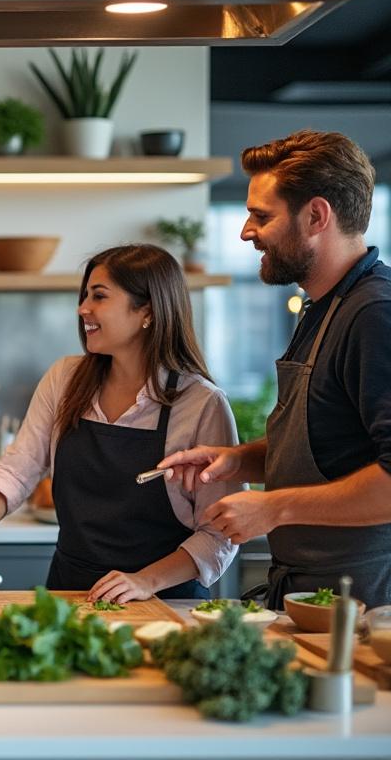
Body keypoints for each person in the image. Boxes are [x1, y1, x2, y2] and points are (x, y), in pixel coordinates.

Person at [0, 244, 241, 611]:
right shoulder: (65, 379)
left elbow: (220, 533)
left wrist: (145, 581)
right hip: (69, 596)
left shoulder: (201, 403)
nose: (83, 309)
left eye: (99, 296)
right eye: (85, 295)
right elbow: (14, 473)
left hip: (167, 603)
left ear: (148, 311)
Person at [158, 131, 391, 608]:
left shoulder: (375, 314)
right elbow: (333, 447)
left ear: (316, 216)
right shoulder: (324, 308)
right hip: (315, 593)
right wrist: (239, 460)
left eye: (261, 216)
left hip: (365, 602)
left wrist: (273, 507)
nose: (246, 231)